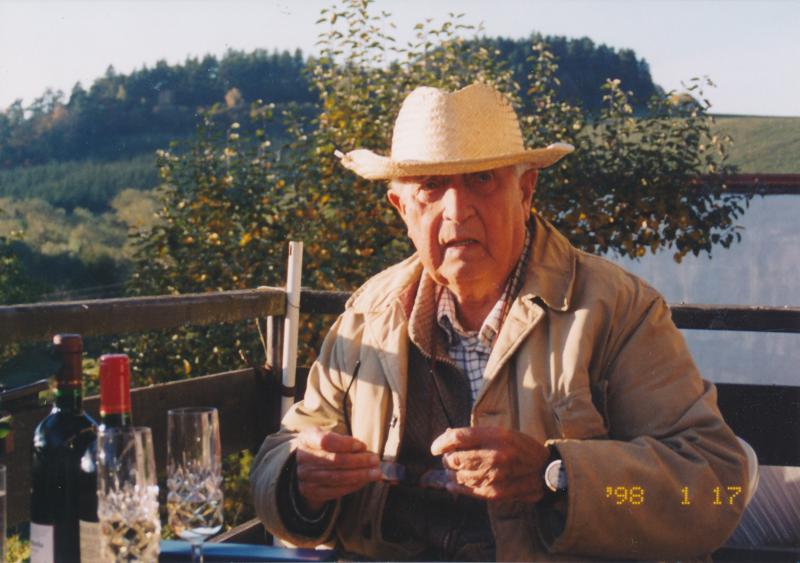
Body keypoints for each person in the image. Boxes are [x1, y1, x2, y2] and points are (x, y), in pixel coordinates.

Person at [250, 83, 748, 560]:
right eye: (431, 186)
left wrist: (556, 475)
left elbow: (714, 489)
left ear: (525, 191)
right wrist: (300, 478)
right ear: (402, 209)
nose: (456, 210)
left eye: (482, 179)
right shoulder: (366, 315)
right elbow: (282, 456)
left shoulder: (619, 310)